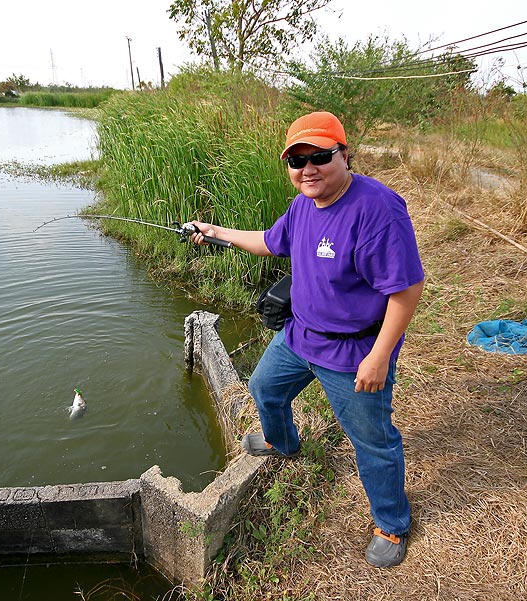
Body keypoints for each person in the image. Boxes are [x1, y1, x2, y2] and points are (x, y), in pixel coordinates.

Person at [188, 111, 424, 568]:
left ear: (345, 153)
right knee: (263, 389)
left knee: (372, 439)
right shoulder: (302, 204)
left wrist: (379, 356)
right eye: (297, 161)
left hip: (353, 351)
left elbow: (406, 290)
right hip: (300, 336)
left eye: (319, 156)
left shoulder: (378, 209)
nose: (307, 169)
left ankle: (391, 523)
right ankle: (283, 442)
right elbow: (269, 241)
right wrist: (214, 232)